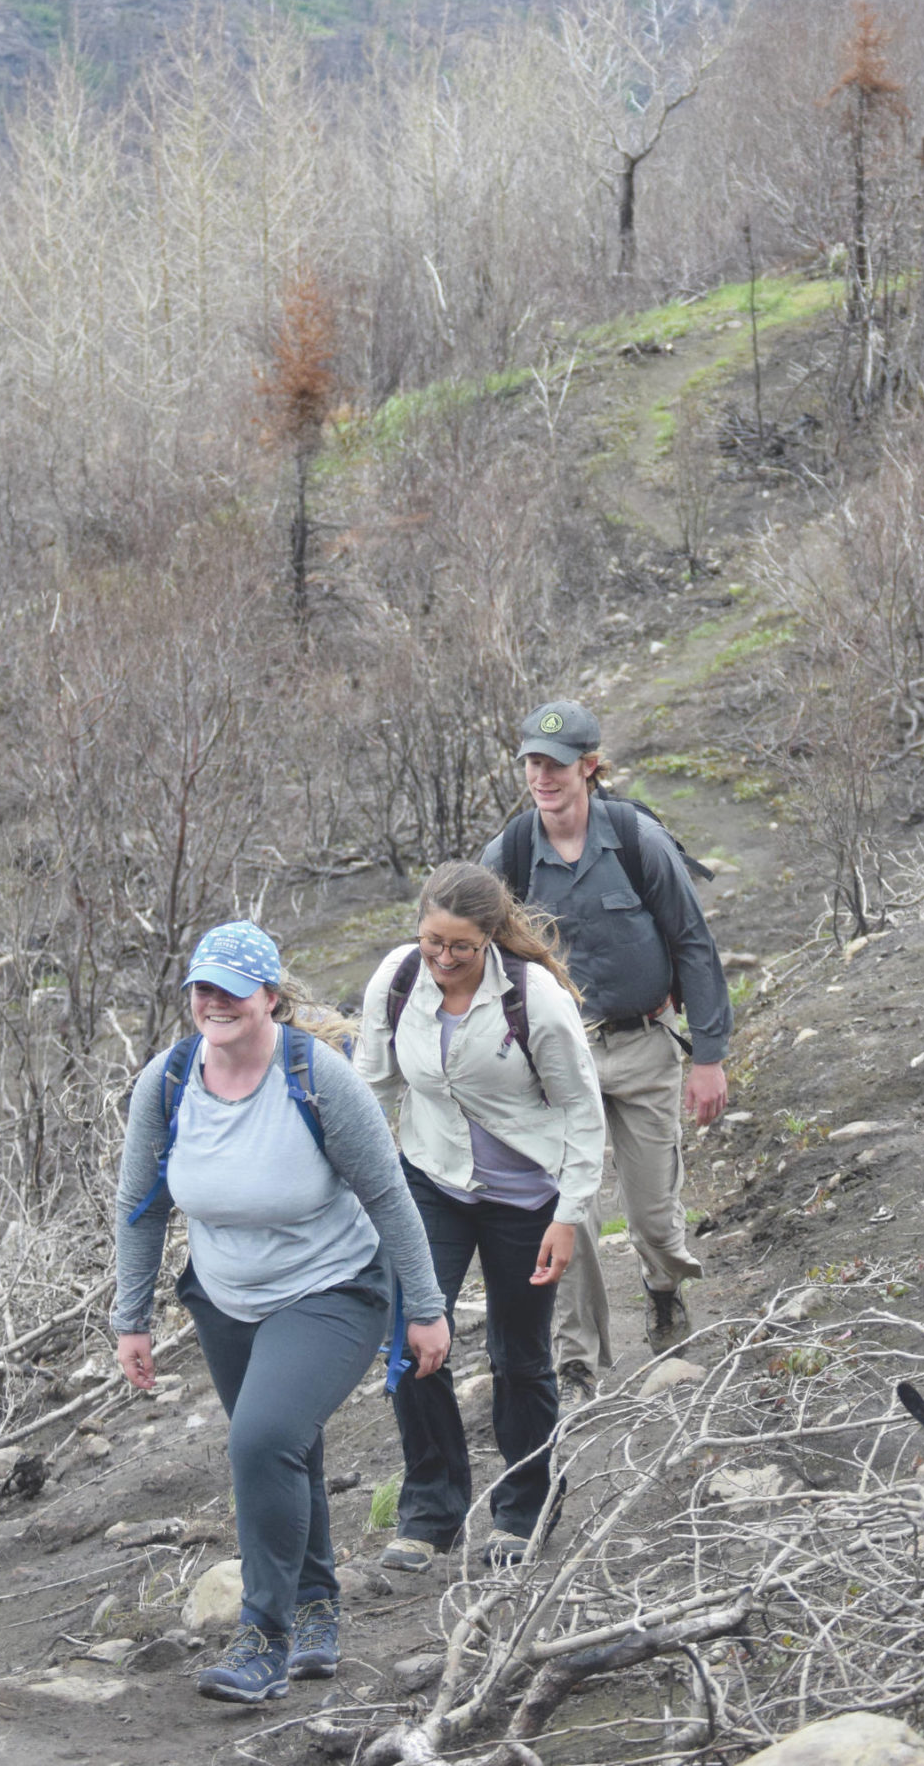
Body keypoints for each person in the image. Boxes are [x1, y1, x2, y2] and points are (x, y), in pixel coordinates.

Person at [113, 919, 450, 1706]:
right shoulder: (166, 1083)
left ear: (269, 996)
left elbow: (388, 1195)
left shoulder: (315, 1075)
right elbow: (140, 1206)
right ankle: (318, 1607)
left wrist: (425, 1308)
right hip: (225, 1296)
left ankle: (262, 1640)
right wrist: (132, 1318)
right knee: (285, 1452)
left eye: (231, 989)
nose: (213, 1002)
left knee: (260, 1440)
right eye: (202, 987)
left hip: (331, 1288)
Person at [355, 862, 604, 1572]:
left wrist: (568, 1216)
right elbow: (369, 1085)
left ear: (490, 938)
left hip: (525, 1197)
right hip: (430, 1179)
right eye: (431, 940)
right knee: (411, 1338)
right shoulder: (398, 981)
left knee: (517, 1355)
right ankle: (430, 1511)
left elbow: (583, 1115)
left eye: (459, 946)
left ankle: (523, 1510)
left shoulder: (536, 1002)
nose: (441, 958)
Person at [480, 699, 733, 1396]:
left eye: (556, 764)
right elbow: (470, 955)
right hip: (557, 1063)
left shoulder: (633, 838)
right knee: (572, 1213)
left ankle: (661, 1287)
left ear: (589, 767)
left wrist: (707, 1056)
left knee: (653, 1212)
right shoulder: (506, 856)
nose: (542, 776)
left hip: (644, 1043)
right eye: (532, 762)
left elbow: (691, 941)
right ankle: (578, 1362)